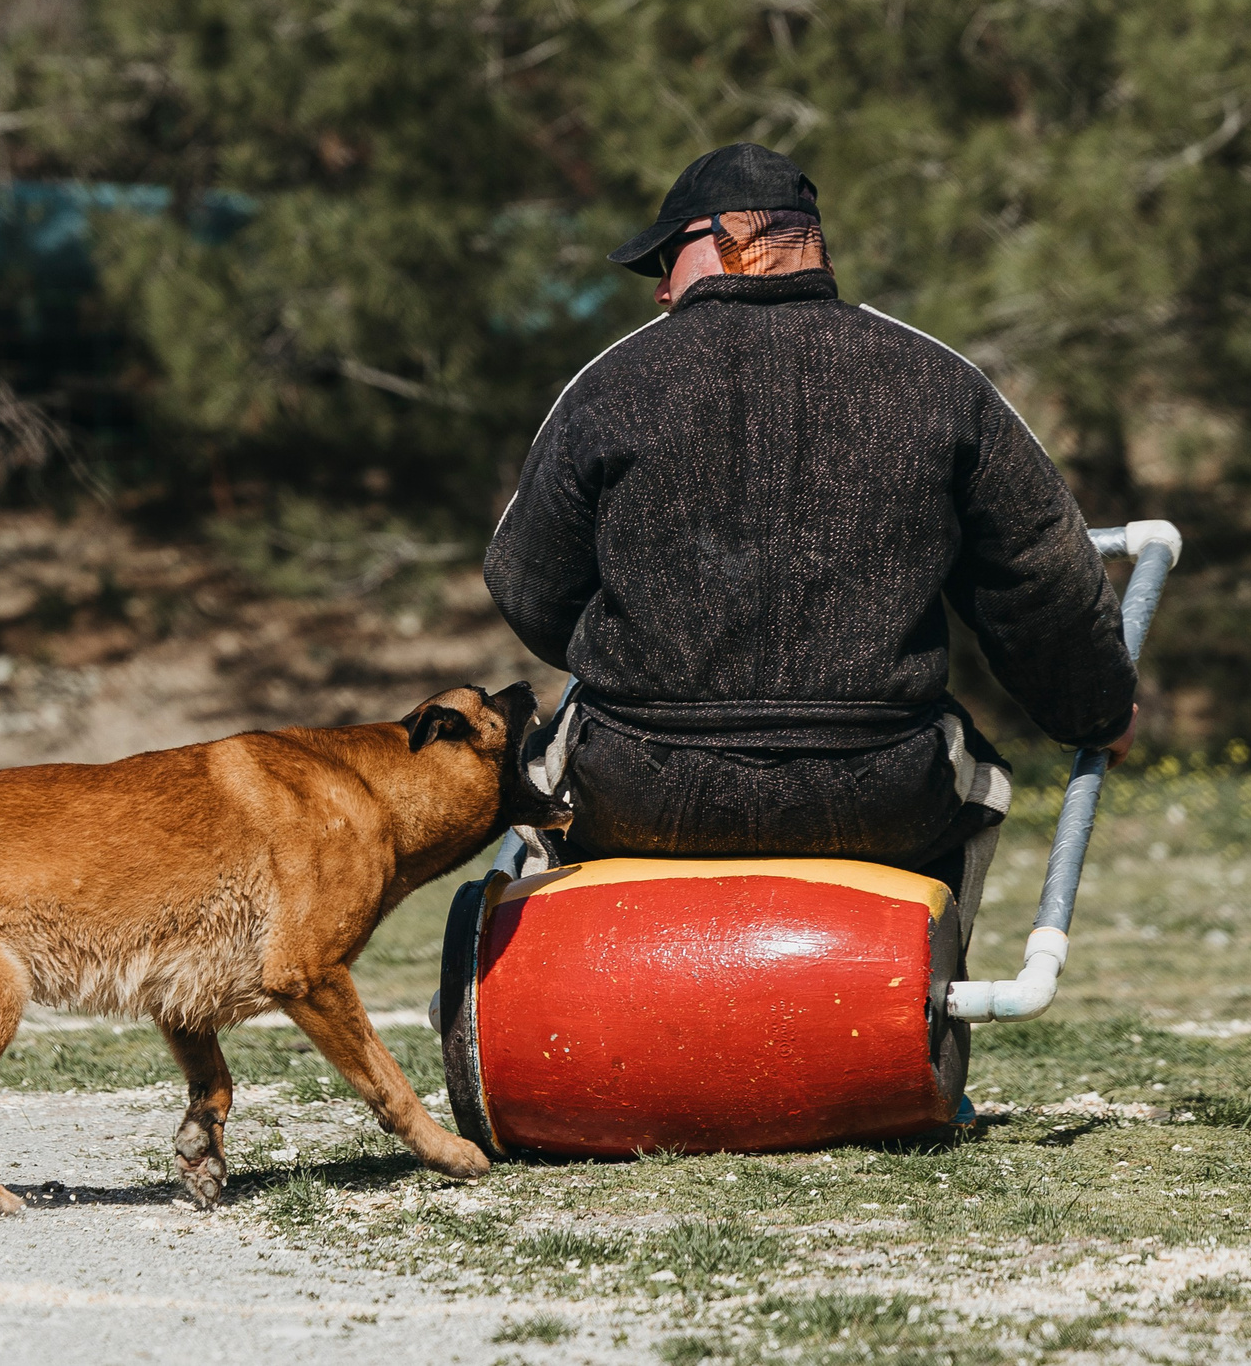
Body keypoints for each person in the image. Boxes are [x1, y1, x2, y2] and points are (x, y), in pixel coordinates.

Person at [483, 143, 1137, 945]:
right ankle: (915, 1005)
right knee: (980, 783)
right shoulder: (937, 375)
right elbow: (1041, 579)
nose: (657, 287)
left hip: (641, 783)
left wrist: (639, 655)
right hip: (880, 788)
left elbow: (525, 581)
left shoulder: (613, 380)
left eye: (662, 259)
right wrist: (1096, 712)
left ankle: (568, 1001)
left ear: (716, 239)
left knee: (541, 774)